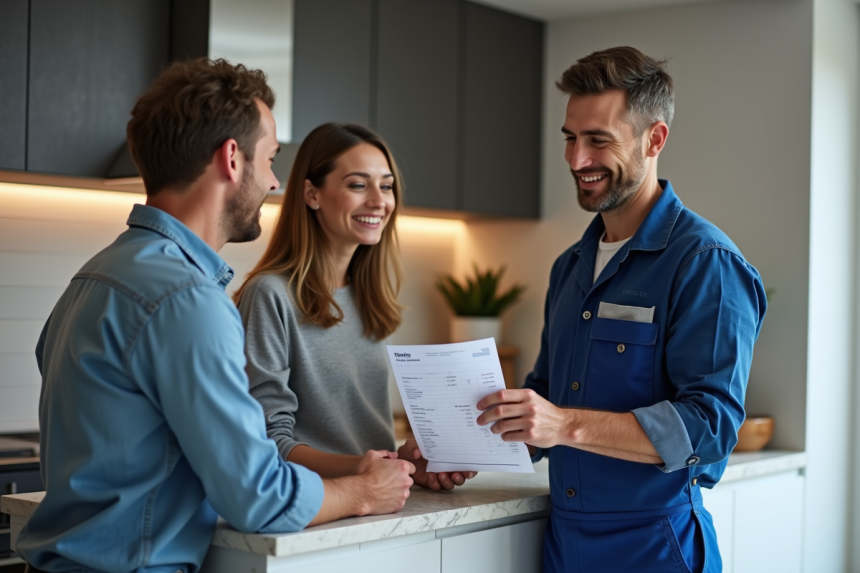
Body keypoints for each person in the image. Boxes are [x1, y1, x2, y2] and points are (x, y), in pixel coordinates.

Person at [15, 59, 414, 573]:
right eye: (269, 159)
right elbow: (257, 496)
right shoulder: (188, 300)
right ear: (231, 158)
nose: (274, 182)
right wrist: (363, 491)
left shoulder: (93, 277)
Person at [476, 47, 766, 572]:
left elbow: (711, 427)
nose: (576, 160)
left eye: (598, 140)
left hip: (655, 547)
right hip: (564, 546)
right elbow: (547, 396)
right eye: (570, 138)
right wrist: (464, 450)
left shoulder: (706, 262)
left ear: (654, 139)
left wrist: (564, 425)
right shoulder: (569, 267)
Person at [233, 122, 473, 491]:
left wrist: (405, 465)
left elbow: (362, 443)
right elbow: (267, 442)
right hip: (319, 504)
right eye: (358, 185)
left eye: (386, 186)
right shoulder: (270, 295)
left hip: (379, 498)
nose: (379, 201)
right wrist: (367, 469)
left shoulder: (369, 297)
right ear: (312, 194)